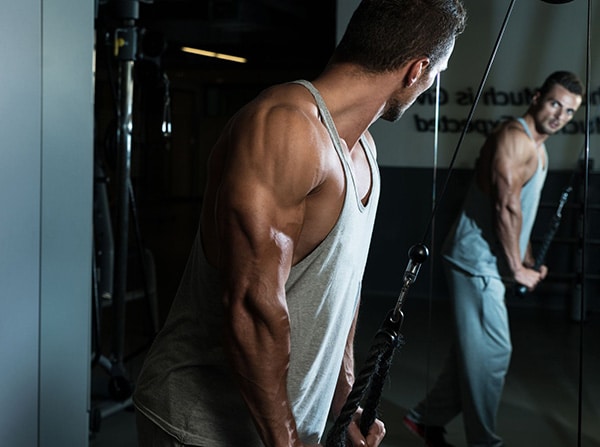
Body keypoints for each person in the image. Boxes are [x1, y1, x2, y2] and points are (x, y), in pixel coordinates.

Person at [133, 1, 466, 446]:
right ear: (416, 69)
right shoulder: (284, 127)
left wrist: (344, 399)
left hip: (280, 429)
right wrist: (286, 441)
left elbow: (341, 290)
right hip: (200, 429)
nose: (430, 84)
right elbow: (252, 309)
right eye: (436, 73)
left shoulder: (364, 150)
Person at [403, 71, 584, 447]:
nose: (559, 115)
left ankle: (425, 418)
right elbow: (505, 208)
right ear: (536, 97)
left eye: (568, 111)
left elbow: (523, 215)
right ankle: (484, 443)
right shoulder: (514, 140)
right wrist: (517, 267)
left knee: (474, 351)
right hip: (475, 263)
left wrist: (528, 259)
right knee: (494, 352)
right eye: (554, 103)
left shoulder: (538, 146)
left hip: (488, 261)